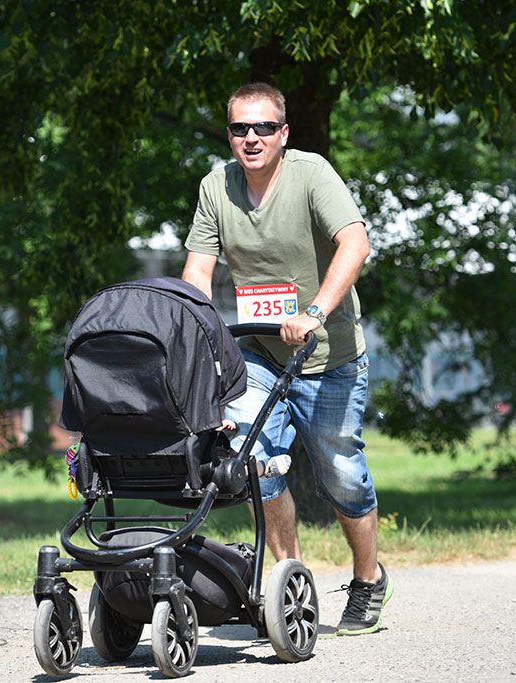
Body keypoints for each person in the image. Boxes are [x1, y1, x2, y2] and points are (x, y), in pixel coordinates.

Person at [180, 82, 393, 636]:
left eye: (264, 127)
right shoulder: (216, 187)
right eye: (239, 128)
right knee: (251, 462)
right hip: (258, 351)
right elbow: (198, 272)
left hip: (329, 355)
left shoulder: (311, 173)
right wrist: (196, 334)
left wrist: (315, 312)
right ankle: (289, 587)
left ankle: (368, 579)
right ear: (229, 134)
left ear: (283, 133)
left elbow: (355, 244)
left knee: (342, 474)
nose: (251, 138)